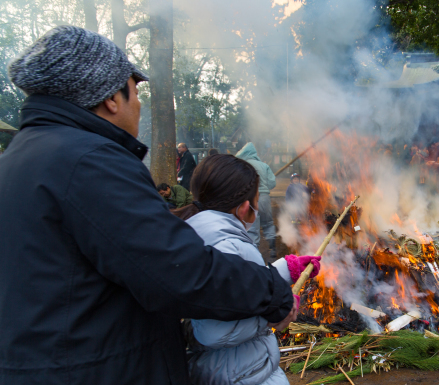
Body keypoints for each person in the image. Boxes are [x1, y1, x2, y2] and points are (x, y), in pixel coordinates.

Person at [0, 26, 295, 385]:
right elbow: (177, 271)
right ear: (111, 97)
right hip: (94, 369)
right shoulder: (89, 162)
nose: (139, 103)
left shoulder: (22, 156)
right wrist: (273, 291)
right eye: (135, 90)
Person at [183, 154, 321, 385]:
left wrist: (286, 268)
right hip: (243, 372)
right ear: (246, 207)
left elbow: (240, 286)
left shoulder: (198, 232)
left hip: (223, 368)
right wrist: (273, 316)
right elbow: (212, 331)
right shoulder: (231, 246)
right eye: (258, 199)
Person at [236, 142, 277, 260]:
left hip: (249, 198)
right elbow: (272, 183)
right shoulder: (264, 165)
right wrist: (264, 187)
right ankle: (273, 249)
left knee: (252, 227)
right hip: (264, 197)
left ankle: (254, 256)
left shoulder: (242, 166)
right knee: (268, 223)